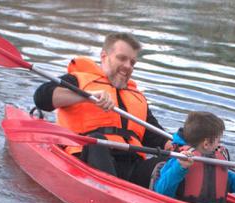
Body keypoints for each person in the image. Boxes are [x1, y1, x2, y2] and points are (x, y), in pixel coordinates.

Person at [33, 32, 170, 187]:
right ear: (104, 56)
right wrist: (86, 96)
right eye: (122, 58)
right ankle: (112, 193)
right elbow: (42, 98)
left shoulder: (137, 97)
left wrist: (178, 146)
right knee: (96, 141)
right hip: (87, 157)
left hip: (131, 166)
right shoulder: (79, 80)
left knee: (175, 163)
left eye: (132, 62)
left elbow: (156, 137)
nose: (128, 66)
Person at [153, 111, 235, 203]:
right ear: (206, 143)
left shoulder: (216, 161)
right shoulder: (179, 160)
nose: (219, 144)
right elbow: (162, 192)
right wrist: (180, 168)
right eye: (218, 140)